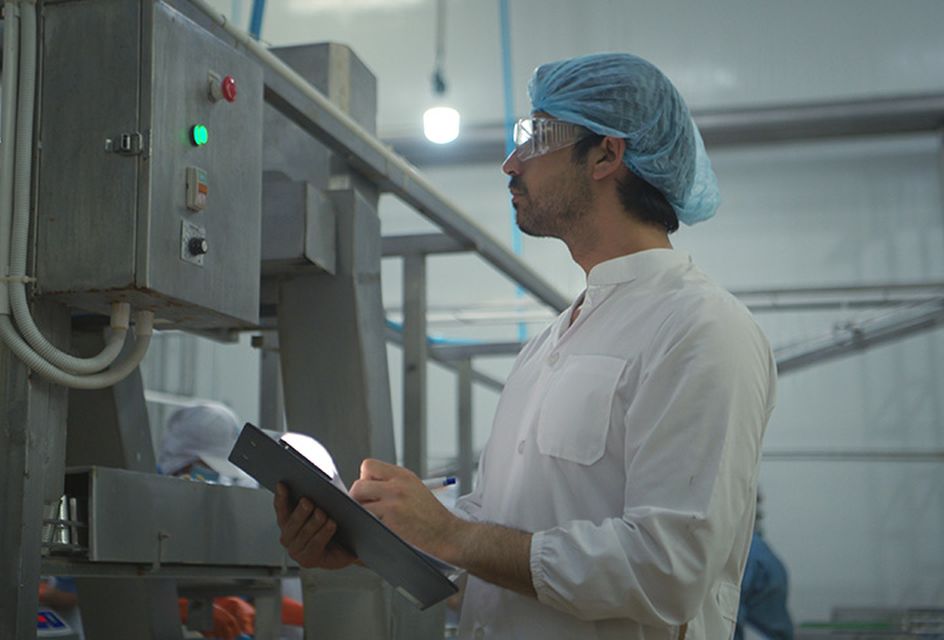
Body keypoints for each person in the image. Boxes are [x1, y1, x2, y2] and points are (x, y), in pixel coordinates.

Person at [274, 52, 777, 639]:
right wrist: (377, 541)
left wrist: (452, 534)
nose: (511, 163)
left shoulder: (700, 328)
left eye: (535, 136)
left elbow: (668, 570)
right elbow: (497, 541)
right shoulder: (548, 344)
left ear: (607, 155)